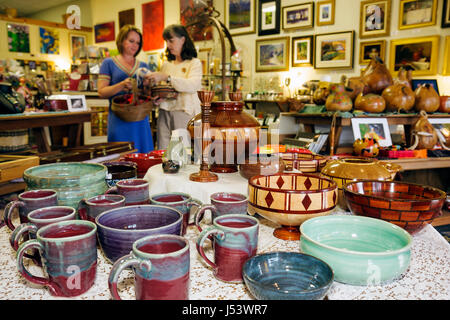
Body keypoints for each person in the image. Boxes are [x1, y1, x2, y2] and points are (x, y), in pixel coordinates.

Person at [97, 24, 154, 153]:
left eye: (138, 43)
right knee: (119, 157)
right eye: (131, 41)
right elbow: (101, 92)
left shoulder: (144, 65)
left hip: (140, 118)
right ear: (122, 40)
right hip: (118, 119)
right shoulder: (108, 63)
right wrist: (121, 85)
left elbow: (148, 95)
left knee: (143, 154)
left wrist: (147, 86)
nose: (135, 45)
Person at [146, 24, 202, 150]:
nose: (168, 45)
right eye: (166, 41)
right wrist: (158, 98)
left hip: (183, 111)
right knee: (163, 149)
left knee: (181, 150)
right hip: (164, 112)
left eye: (171, 40)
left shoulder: (194, 63)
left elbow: (193, 85)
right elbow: (164, 89)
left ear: (183, 39)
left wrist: (168, 78)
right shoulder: (166, 65)